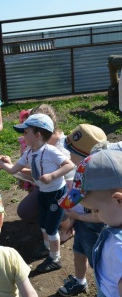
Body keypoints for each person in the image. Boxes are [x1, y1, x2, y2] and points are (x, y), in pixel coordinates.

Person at [0, 113, 75, 273]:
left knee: (51, 228)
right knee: (43, 224)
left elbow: (69, 165)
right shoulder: (30, 153)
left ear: (37, 135)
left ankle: (55, 258)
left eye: (25, 132)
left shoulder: (50, 151)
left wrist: (52, 175)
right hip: (43, 193)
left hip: (56, 194)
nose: (23, 136)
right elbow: (14, 169)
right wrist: (0, 162)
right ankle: (47, 247)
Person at [58, 150, 122, 297]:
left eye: (96, 210)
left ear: (118, 200)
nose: (94, 214)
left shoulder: (119, 248)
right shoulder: (114, 225)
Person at [57, 124, 107, 296]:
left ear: (86, 157)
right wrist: (74, 220)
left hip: (94, 228)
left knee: (99, 264)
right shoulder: (81, 172)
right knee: (78, 253)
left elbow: (101, 217)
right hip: (81, 223)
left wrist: (77, 216)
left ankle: (105, 291)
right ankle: (80, 282)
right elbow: (75, 200)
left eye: (73, 153)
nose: (69, 155)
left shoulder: (98, 181)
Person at [15, 104, 74, 243]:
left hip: (64, 189)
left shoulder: (61, 147)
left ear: (39, 131)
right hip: (44, 187)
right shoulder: (35, 144)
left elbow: (69, 174)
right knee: (26, 211)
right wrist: (8, 166)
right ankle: (51, 219)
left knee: (52, 206)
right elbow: (34, 169)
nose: (25, 134)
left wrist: (51, 176)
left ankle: (67, 225)